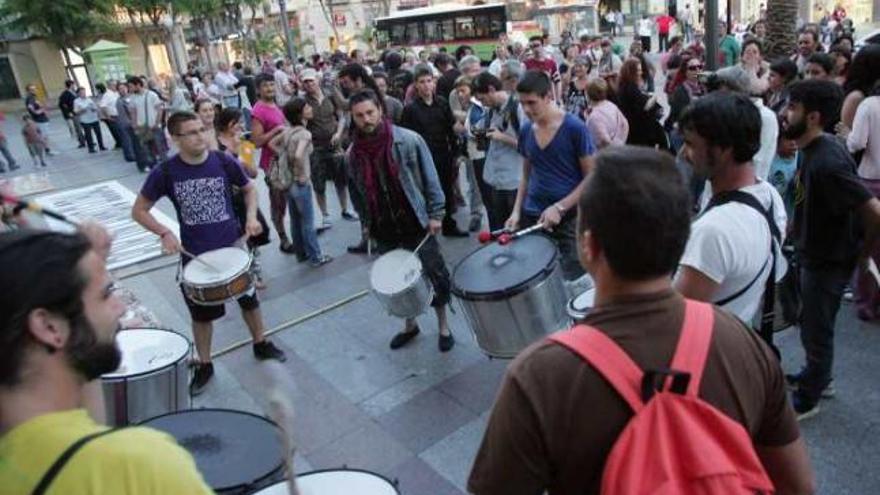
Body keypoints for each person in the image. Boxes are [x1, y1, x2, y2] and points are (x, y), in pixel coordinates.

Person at [468, 146, 815, 495]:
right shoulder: (743, 343)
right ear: (681, 239)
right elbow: (797, 485)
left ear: (589, 246)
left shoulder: (539, 377)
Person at [0, 226, 214, 494]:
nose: (121, 307)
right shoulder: (142, 468)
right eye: (105, 295)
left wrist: (86, 267)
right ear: (49, 327)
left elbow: (85, 432)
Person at [131, 111, 287, 395]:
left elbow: (250, 188)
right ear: (175, 139)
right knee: (201, 317)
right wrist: (164, 233)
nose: (200, 136)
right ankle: (205, 364)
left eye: (202, 129)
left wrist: (251, 217)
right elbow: (138, 210)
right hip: (196, 257)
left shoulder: (222, 160)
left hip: (233, 249)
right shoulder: (165, 172)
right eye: (190, 132)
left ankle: (260, 343)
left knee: (250, 302)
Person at [783, 79, 880, 419]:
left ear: (813, 117)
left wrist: (865, 254)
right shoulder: (810, 150)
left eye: (792, 108)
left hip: (828, 259)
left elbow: (874, 212)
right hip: (811, 251)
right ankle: (815, 373)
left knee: (817, 325)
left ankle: (811, 395)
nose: (784, 113)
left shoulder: (828, 161)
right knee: (810, 320)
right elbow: (803, 193)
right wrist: (795, 224)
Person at [346, 89, 455, 352]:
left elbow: (431, 179)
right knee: (397, 280)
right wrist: (366, 224)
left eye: (370, 113)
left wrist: (436, 214)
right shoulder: (352, 154)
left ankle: (444, 326)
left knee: (434, 272)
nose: (366, 119)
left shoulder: (408, 140)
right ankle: (410, 325)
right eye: (359, 116)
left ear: (380, 111)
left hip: (415, 220)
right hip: (383, 226)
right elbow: (356, 193)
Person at [675, 92, 787, 328]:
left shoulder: (713, 232)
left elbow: (675, 322)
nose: (685, 153)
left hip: (706, 352)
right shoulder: (769, 196)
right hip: (737, 335)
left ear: (723, 149)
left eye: (691, 144)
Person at [506, 71, 593, 284]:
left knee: (572, 283)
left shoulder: (575, 128)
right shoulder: (526, 130)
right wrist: (516, 212)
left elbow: (591, 178)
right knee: (540, 281)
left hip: (569, 222)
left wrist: (560, 207)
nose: (526, 109)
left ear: (548, 97)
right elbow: (526, 175)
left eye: (532, 102)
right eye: (522, 103)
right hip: (533, 216)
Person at [401, 65, 468, 237]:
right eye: (421, 82)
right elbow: (406, 137)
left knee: (446, 191)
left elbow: (451, 129)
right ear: (416, 85)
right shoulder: (410, 109)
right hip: (422, 158)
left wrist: (457, 152)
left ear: (433, 83)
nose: (425, 85)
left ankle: (448, 225)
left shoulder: (442, 103)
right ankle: (425, 228)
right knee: (425, 193)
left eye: (428, 81)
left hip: (443, 155)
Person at [271, 98, 332, 267]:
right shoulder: (305, 134)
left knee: (296, 220)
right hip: (299, 182)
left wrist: (284, 156)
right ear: (300, 113)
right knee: (308, 221)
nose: (310, 109)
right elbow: (298, 155)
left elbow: (272, 144)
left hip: (288, 182)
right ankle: (316, 257)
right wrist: (301, 173)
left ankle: (301, 254)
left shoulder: (288, 131)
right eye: (306, 107)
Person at [216, 108, 270, 289]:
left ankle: (256, 273)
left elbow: (253, 173)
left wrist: (243, 157)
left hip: (244, 197)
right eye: (237, 122)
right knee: (233, 237)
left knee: (252, 237)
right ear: (227, 124)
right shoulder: (215, 146)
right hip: (225, 199)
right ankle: (238, 273)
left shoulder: (245, 145)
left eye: (240, 122)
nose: (240, 126)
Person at [300, 68, 356, 229]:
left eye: (311, 80)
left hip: (334, 145)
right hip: (315, 148)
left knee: (341, 179)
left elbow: (342, 116)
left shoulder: (330, 96)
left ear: (317, 80)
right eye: (306, 81)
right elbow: (300, 125)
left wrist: (339, 133)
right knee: (319, 182)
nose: (309, 84)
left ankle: (345, 209)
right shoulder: (303, 102)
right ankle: (325, 215)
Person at [472, 72, 526, 231]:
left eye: (482, 99)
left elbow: (531, 147)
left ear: (491, 89)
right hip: (495, 181)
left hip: (515, 182)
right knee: (499, 231)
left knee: (517, 231)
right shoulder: (491, 110)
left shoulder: (519, 109)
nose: (483, 103)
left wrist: (502, 137)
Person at [251, 73, 292, 253]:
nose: (270, 88)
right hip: (272, 164)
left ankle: (295, 236)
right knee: (278, 204)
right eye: (266, 86)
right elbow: (256, 141)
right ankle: (283, 239)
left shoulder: (275, 105)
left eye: (272, 85)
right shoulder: (258, 110)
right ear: (258, 90)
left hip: (286, 160)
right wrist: (276, 129)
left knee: (291, 201)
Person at [617, 59, 667, 150]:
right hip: (638, 130)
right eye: (638, 70)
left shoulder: (624, 86)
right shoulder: (630, 88)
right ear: (632, 72)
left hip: (634, 129)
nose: (641, 72)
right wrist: (654, 98)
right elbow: (645, 106)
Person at [128, 76, 166, 172]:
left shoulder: (151, 95)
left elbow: (159, 109)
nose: (130, 89)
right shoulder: (132, 98)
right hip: (142, 128)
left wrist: (157, 123)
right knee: (147, 150)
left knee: (160, 148)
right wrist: (135, 126)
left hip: (154, 126)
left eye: (131, 86)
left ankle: (166, 167)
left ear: (138, 85)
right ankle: (153, 167)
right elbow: (133, 113)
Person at [585, 78, 628, 149]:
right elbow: (625, 124)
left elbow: (604, 141)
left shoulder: (594, 117)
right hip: (620, 148)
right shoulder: (611, 105)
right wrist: (620, 142)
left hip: (605, 155)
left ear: (588, 94)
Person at [524, 36, 561, 102]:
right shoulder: (526, 64)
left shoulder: (551, 63)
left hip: (548, 99)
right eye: (532, 46)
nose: (535, 49)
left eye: (537, 45)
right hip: (534, 99)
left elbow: (557, 82)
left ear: (542, 45)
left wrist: (558, 100)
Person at [24, 84, 55, 155]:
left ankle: (45, 150)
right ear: (28, 91)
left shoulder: (34, 97)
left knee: (44, 135)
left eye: (35, 89)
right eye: (32, 89)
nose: (34, 90)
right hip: (40, 119)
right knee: (44, 136)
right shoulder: (30, 98)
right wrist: (40, 110)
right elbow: (30, 108)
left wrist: (43, 108)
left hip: (42, 119)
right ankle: (47, 150)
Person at [73, 87, 106, 154]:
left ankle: (101, 146)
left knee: (98, 133)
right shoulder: (76, 101)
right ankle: (91, 148)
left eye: (84, 92)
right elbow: (76, 111)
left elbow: (95, 108)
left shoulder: (89, 99)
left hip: (94, 118)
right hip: (85, 120)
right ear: (78, 94)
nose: (83, 94)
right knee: (88, 135)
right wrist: (82, 110)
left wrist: (93, 108)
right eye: (82, 93)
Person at [114, 82, 139, 164]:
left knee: (131, 140)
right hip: (126, 123)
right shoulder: (120, 101)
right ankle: (130, 156)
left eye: (124, 88)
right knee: (127, 140)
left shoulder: (130, 97)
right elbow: (128, 111)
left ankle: (132, 154)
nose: (123, 90)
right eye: (120, 89)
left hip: (130, 122)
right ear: (118, 91)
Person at [58, 79, 85, 147]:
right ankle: (82, 142)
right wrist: (68, 112)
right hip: (74, 113)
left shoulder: (74, 92)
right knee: (78, 128)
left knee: (84, 126)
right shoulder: (65, 94)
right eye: (73, 84)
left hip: (80, 112)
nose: (74, 86)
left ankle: (86, 139)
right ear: (70, 85)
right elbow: (62, 104)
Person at [96, 81, 122, 151]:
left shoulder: (116, 93)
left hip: (120, 115)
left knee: (121, 132)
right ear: (109, 86)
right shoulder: (107, 95)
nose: (115, 86)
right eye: (114, 85)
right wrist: (108, 117)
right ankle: (119, 144)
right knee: (116, 132)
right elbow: (103, 106)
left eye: (115, 85)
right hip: (113, 116)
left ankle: (121, 144)